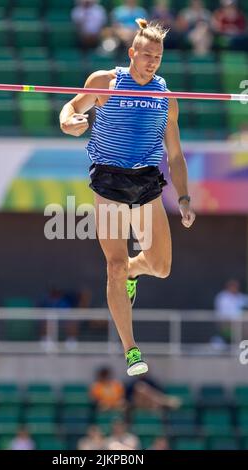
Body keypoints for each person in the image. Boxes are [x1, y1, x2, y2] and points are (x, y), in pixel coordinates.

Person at [60, 19, 196, 376]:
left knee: (161, 267)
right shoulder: (105, 82)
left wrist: (183, 198)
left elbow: (176, 155)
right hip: (108, 181)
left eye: (158, 56)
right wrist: (70, 121)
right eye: (146, 54)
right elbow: (71, 109)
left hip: (147, 181)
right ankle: (131, 349)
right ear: (132, 53)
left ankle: (135, 270)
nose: (152, 61)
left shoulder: (165, 97)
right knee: (115, 266)